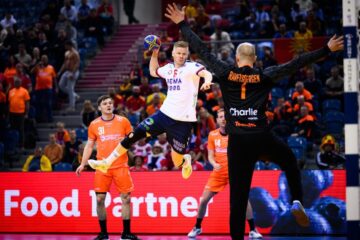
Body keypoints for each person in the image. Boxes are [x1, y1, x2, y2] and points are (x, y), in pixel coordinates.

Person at [164, 3, 343, 240]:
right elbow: (296, 63)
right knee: (289, 160)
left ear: (237, 58)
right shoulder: (264, 74)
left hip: (238, 142)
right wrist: (326, 50)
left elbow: (202, 50)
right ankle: (297, 200)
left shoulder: (225, 72)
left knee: (238, 199)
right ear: (255, 58)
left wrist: (183, 24)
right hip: (261, 136)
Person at [88, 40, 213, 180]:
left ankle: (185, 161)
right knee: (134, 134)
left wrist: (207, 81)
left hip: (182, 122)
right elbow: (153, 71)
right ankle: (107, 162)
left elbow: (206, 73)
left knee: (177, 161)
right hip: (164, 115)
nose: (181, 56)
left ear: (187, 54)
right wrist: (155, 53)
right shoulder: (168, 68)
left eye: (184, 53)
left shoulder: (192, 67)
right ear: (173, 53)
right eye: (178, 53)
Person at [188, 109, 262, 239]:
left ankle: (252, 230)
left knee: (243, 200)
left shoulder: (236, 134)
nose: (223, 119)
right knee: (204, 200)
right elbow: (210, 155)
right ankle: (197, 227)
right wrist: (213, 163)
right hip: (218, 172)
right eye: (221, 117)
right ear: (217, 120)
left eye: (225, 117)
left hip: (235, 172)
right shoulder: (212, 135)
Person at [75, 95, 139, 240]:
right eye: (105, 103)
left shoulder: (123, 121)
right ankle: (103, 233)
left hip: (121, 166)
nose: (109, 105)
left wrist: (131, 141)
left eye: (110, 103)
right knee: (99, 199)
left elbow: (131, 139)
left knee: (126, 198)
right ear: (100, 107)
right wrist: (83, 163)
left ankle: (126, 233)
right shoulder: (94, 124)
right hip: (102, 167)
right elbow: (90, 145)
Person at [58, 41, 80, 112]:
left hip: (73, 72)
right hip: (67, 71)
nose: (65, 47)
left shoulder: (75, 53)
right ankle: (75, 96)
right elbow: (64, 63)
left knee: (70, 88)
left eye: (66, 46)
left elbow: (77, 64)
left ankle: (72, 106)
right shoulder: (67, 53)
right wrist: (60, 72)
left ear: (69, 45)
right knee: (61, 85)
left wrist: (73, 73)